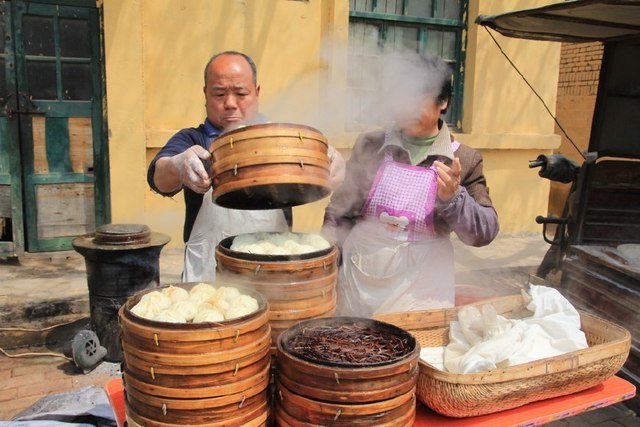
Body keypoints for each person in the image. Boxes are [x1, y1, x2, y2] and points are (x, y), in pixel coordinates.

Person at [323, 53, 499, 317]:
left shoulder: (464, 159)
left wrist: (454, 201)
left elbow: (485, 231)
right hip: (361, 281)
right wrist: (326, 269)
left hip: (422, 291)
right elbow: (339, 213)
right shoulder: (370, 145)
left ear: (444, 101)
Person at [148, 51, 345, 282]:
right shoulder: (193, 140)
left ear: (257, 92)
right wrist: (176, 165)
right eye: (219, 94)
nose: (230, 104)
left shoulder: (280, 138)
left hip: (273, 275)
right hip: (209, 274)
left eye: (240, 93)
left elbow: (317, 159)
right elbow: (158, 176)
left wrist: (330, 160)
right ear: (205, 94)